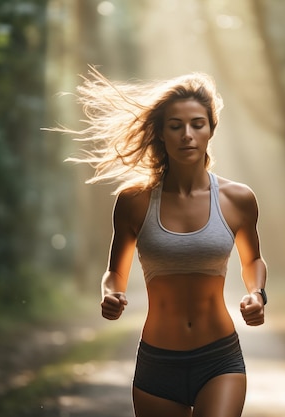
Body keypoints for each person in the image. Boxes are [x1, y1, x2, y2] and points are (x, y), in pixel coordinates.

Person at [64, 67, 268, 417]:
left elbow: (253, 261)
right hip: (158, 363)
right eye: (175, 126)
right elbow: (115, 272)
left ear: (210, 130)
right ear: (161, 133)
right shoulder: (135, 201)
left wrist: (257, 294)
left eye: (196, 124)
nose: (186, 135)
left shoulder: (238, 199)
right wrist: (110, 295)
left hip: (219, 357)